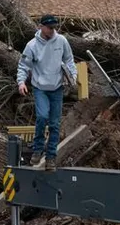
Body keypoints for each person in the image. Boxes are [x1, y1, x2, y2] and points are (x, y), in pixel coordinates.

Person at [17, 14, 76, 171]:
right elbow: (23, 65)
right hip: (40, 87)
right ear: (41, 27)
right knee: (42, 117)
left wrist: (72, 76)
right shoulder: (32, 46)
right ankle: (37, 149)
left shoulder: (62, 41)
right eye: (49, 28)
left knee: (55, 124)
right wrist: (21, 82)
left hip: (57, 87)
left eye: (54, 28)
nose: (52, 30)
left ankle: (51, 158)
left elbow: (69, 60)